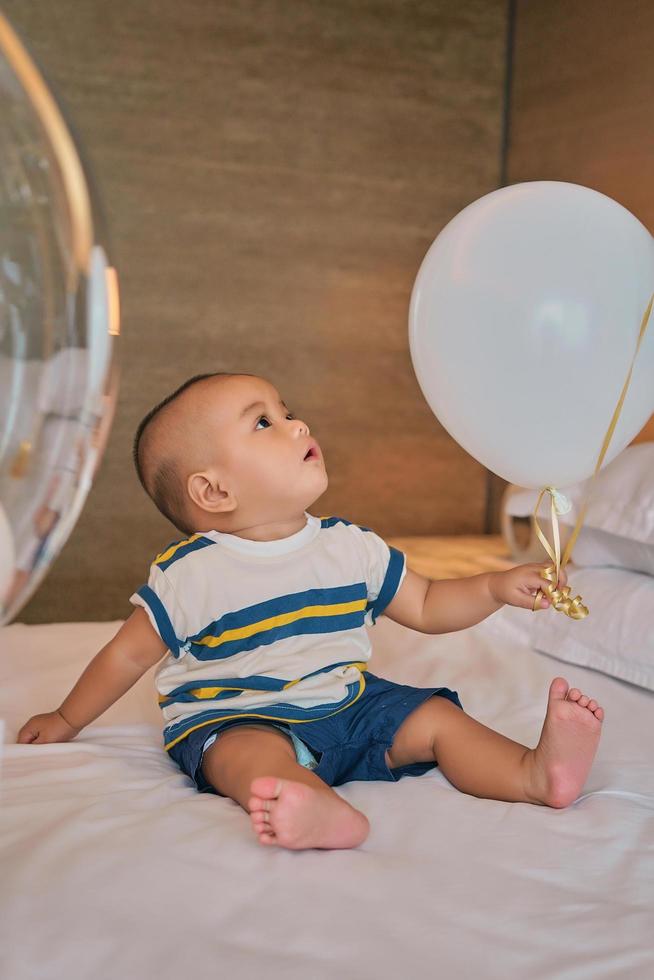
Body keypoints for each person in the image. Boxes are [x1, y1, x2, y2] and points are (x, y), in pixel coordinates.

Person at [17, 372, 605, 851]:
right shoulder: (190, 574)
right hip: (240, 715)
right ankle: (310, 805)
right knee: (243, 755)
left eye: (286, 408)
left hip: (346, 703)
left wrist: (494, 586)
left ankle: (534, 773)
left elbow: (426, 603)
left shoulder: (351, 547)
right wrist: (68, 720)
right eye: (263, 421)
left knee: (433, 718)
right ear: (214, 492)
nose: (297, 421)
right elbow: (125, 655)